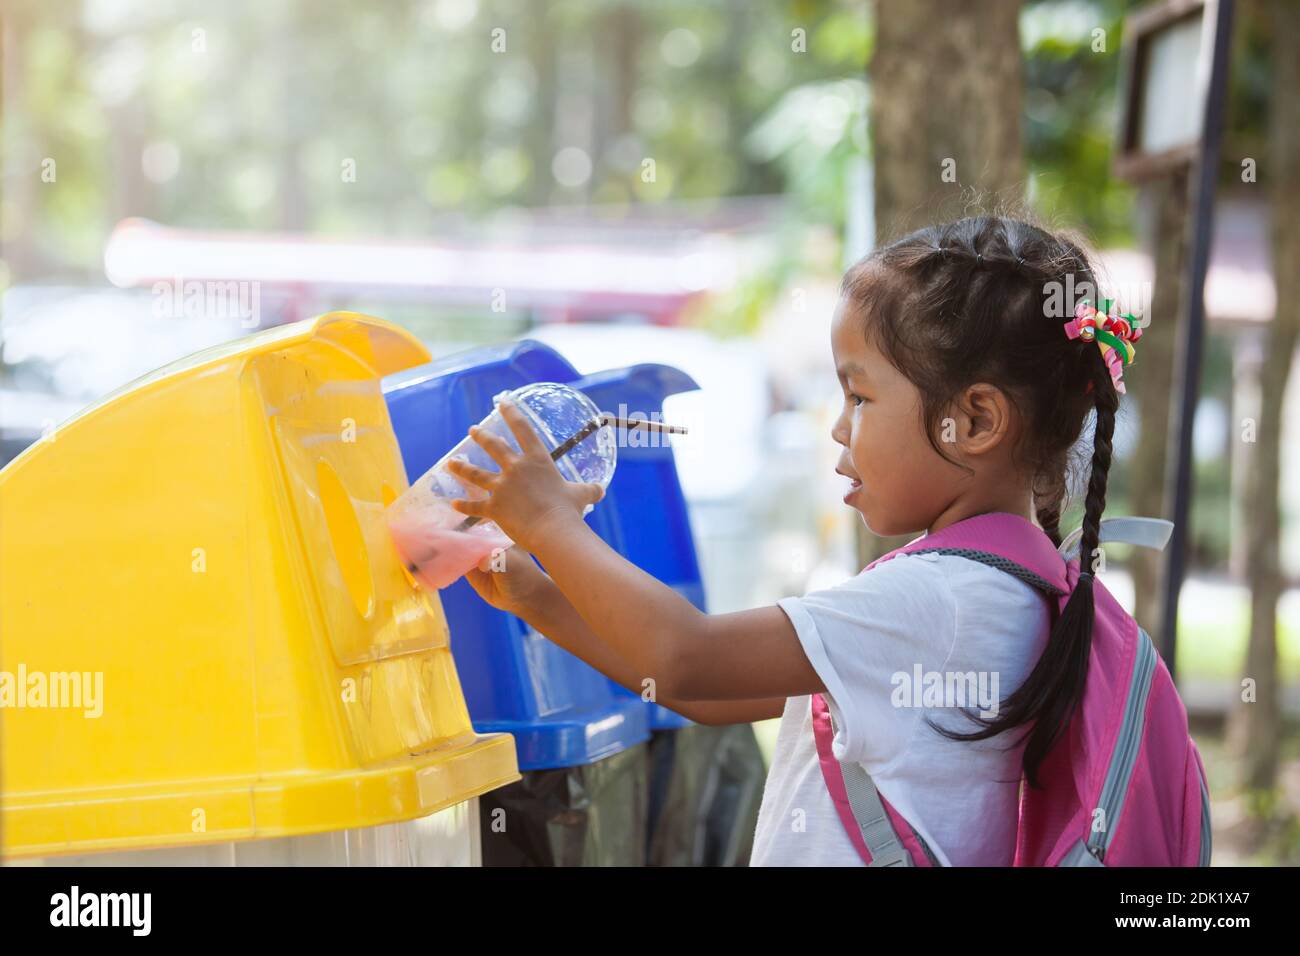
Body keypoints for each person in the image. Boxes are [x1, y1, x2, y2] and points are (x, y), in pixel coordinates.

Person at [443, 215, 1140, 866]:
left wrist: (548, 522)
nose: (839, 427)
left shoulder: (944, 601)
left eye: (860, 398)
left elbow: (688, 656)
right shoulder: (1008, 588)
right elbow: (706, 694)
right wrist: (538, 598)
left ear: (977, 420)